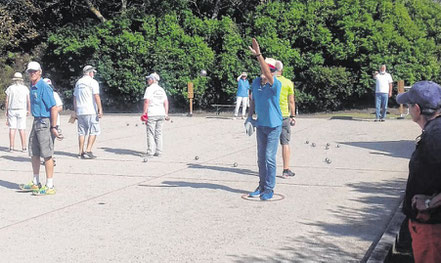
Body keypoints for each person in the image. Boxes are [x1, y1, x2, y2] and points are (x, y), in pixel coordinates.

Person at [397, 81, 441, 263]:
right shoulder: (434, 131)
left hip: (433, 229)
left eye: (408, 105)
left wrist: (431, 202)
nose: (408, 109)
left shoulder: (435, 137)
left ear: (417, 109)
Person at [246, 38, 283, 201]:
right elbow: (253, 99)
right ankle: (261, 186)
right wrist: (249, 117)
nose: (265, 71)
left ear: (272, 71)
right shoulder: (255, 82)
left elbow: (267, 73)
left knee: (269, 157)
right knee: (261, 158)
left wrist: (259, 55)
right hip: (261, 125)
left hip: (274, 126)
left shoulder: (275, 84)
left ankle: (269, 188)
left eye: (268, 69)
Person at [19, 61, 60, 195]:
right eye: (30, 71)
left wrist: (54, 127)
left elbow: (53, 107)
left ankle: (50, 185)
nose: (32, 73)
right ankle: (36, 182)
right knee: (34, 152)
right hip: (36, 121)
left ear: (40, 72)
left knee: (47, 154)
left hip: (44, 122)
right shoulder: (32, 85)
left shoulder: (44, 86)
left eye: (35, 71)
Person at [73, 65, 103, 159]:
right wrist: (100, 109)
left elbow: (75, 97)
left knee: (82, 132)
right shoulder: (93, 82)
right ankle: (88, 150)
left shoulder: (78, 82)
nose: (93, 74)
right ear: (90, 73)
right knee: (94, 130)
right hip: (91, 110)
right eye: (93, 72)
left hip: (80, 111)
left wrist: (76, 110)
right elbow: (96, 96)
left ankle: (80, 152)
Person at [275, 61, 296, 178]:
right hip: (284, 116)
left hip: (271, 116)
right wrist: (293, 116)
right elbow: (291, 101)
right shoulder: (288, 82)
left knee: (269, 144)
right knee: (285, 143)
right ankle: (285, 169)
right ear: (281, 70)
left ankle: (268, 169)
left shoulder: (269, 81)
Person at [143, 72, 170, 157]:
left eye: (149, 79)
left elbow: (146, 101)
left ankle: (150, 152)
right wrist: (166, 114)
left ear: (153, 80)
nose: (148, 80)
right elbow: (166, 102)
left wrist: (144, 113)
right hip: (161, 113)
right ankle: (159, 151)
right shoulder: (161, 89)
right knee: (159, 133)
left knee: (150, 133)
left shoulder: (149, 89)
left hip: (152, 113)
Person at [4, 72, 30, 152]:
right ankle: (24, 147)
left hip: (12, 109)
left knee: (12, 128)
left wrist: (6, 110)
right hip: (22, 109)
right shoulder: (25, 88)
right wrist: (29, 109)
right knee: (22, 128)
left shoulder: (10, 88)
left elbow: (7, 100)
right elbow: (28, 100)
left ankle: (11, 147)